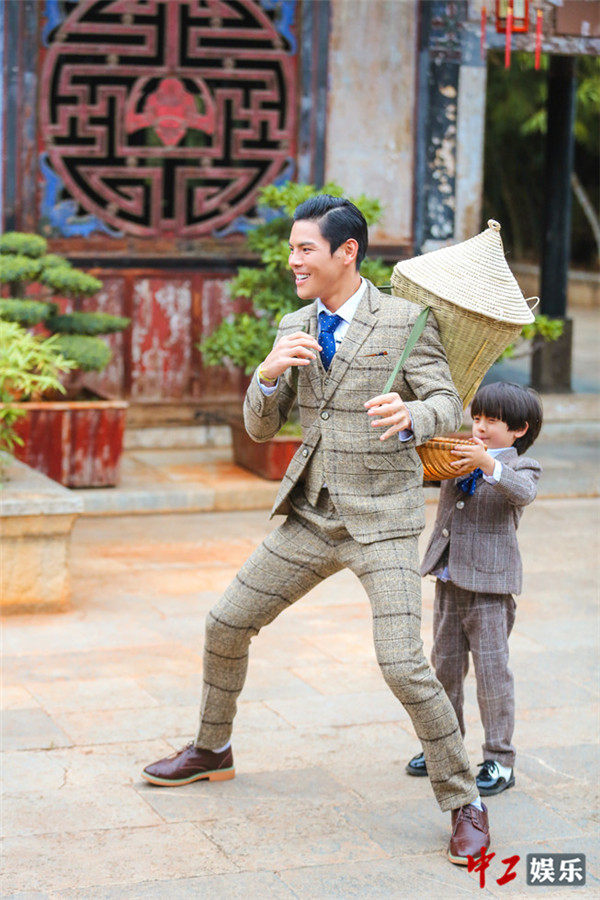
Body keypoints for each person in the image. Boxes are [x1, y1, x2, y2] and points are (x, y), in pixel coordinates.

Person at [142, 195, 491, 864]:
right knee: (225, 622)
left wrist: (413, 415)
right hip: (310, 511)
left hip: (382, 520)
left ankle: (464, 800)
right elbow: (260, 428)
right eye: (292, 249)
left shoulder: (405, 319)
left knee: (402, 664)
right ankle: (212, 749)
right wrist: (267, 373)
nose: (293, 260)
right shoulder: (294, 323)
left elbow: (449, 402)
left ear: (346, 252)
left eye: (305, 249)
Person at [406, 381, 543, 798]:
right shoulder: (460, 455)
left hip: (489, 589)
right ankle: (444, 749)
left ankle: (500, 759)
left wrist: (487, 464)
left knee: (491, 674)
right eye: (477, 417)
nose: (480, 427)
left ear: (518, 429)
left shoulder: (523, 467)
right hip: (449, 580)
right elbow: (429, 471)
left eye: (492, 421)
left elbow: (523, 493)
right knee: (444, 669)